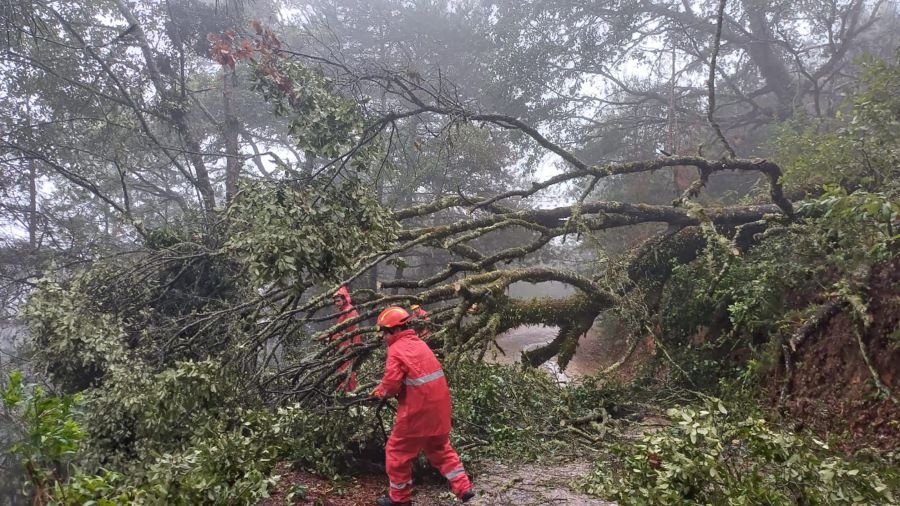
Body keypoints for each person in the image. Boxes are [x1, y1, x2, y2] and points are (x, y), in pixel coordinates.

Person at [370, 306, 475, 506]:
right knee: (440, 448)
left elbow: (391, 385)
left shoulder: (396, 350)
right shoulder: (419, 344)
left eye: (384, 332)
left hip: (417, 412)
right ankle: (464, 488)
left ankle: (400, 499)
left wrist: (379, 392)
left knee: (397, 452)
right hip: (440, 409)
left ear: (393, 330)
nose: (383, 336)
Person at [331, 286, 361, 392]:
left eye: (338, 301)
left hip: (348, 347)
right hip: (345, 347)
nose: (336, 303)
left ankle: (348, 395)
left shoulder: (349, 312)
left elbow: (346, 332)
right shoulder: (345, 311)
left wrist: (333, 337)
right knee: (343, 371)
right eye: (335, 301)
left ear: (345, 299)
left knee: (346, 372)